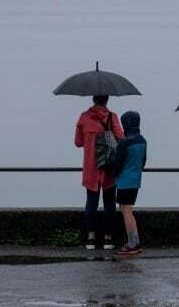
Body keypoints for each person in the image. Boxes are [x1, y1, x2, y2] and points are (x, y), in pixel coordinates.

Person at [75, 95, 124, 250]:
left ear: (93, 99)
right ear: (107, 99)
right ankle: (108, 240)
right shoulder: (112, 117)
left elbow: (78, 142)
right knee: (109, 203)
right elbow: (121, 138)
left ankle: (91, 239)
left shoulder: (84, 117)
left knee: (91, 203)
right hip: (109, 168)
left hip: (91, 168)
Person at [113, 111, 147, 256]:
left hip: (124, 181)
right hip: (135, 180)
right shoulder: (142, 140)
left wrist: (114, 174)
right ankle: (135, 242)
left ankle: (132, 244)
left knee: (126, 212)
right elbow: (143, 161)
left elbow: (117, 164)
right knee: (129, 211)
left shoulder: (124, 142)